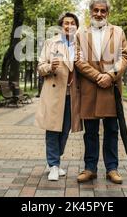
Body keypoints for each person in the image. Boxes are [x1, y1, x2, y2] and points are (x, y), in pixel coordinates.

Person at [75, 0, 127, 184]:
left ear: (108, 13)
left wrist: (110, 75)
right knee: (90, 131)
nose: (99, 14)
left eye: (103, 10)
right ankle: (90, 168)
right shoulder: (81, 33)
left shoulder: (118, 32)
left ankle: (112, 169)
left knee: (111, 130)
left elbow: (124, 57)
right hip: (90, 88)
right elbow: (78, 60)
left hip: (111, 89)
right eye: (96, 10)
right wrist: (98, 76)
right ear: (90, 11)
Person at [35, 12, 82, 181]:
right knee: (53, 129)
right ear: (61, 26)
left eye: (72, 23)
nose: (69, 26)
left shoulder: (81, 45)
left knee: (65, 130)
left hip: (72, 94)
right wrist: (50, 67)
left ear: (77, 26)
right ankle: (54, 165)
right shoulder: (51, 42)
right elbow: (40, 67)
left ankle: (53, 159)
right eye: (65, 23)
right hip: (54, 92)